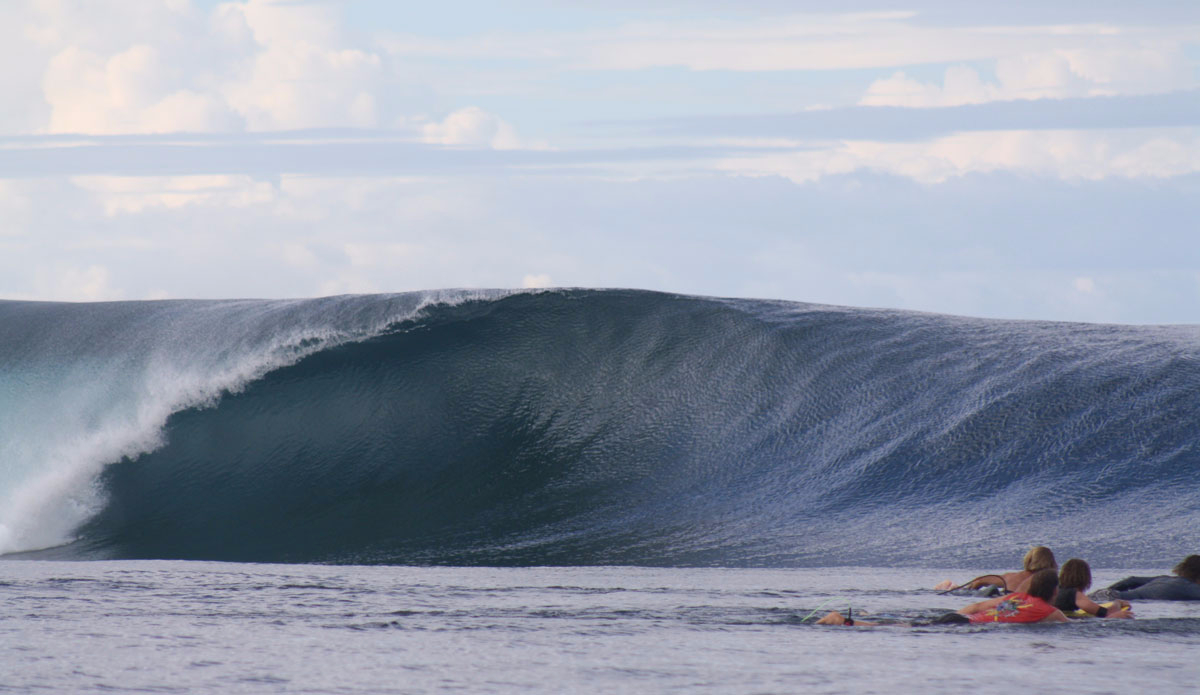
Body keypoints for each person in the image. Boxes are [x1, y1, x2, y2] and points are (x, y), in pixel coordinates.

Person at [820, 568, 1070, 626]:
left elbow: (977, 604)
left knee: (906, 624)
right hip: (963, 626)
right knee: (902, 627)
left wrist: (960, 616)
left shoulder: (1017, 597)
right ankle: (844, 621)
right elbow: (1068, 624)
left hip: (962, 619)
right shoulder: (1051, 611)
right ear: (1053, 591)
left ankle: (858, 619)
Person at [932, 545, 1057, 594]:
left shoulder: (1010, 577)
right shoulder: (1050, 582)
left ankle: (951, 587)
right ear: (1051, 562)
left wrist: (970, 590)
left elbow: (980, 580)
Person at [1090, 554, 1200, 602]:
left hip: (1106, 594)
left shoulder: (1164, 578)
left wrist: (1110, 590)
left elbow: (1132, 580)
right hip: (1117, 600)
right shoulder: (1192, 589)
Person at [1053, 558, 1133, 618]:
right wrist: (1118, 603)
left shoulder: (1055, 590)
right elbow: (1105, 613)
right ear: (1085, 578)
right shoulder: (1074, 594)